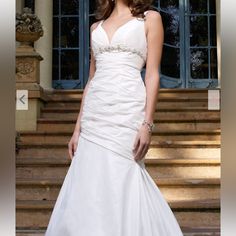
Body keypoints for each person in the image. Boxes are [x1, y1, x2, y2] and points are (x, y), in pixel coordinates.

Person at [45, 0, 183, 235]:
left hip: (127, 108)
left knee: (123, 173)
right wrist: (77, 129)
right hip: (95, 112)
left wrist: (147, 124)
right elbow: (91, 80)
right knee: (89, 178)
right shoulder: (95, 27)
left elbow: (151, 75)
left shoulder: (150, 18)